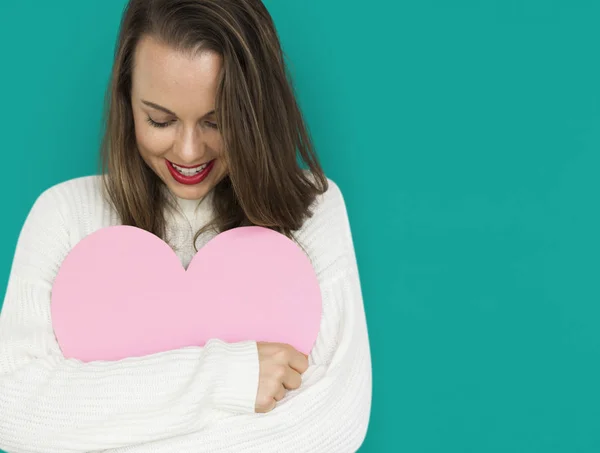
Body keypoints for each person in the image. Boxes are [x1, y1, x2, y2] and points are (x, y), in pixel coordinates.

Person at [0, 0, 372, 452]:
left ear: (255, 112)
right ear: (126, 99)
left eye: (218, 121)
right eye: (160, 120)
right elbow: (14, 411)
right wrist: (229, 377)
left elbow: (332, 428)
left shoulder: (313, 206)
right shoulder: (64, 215)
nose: (190, 151)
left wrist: (101, 421)